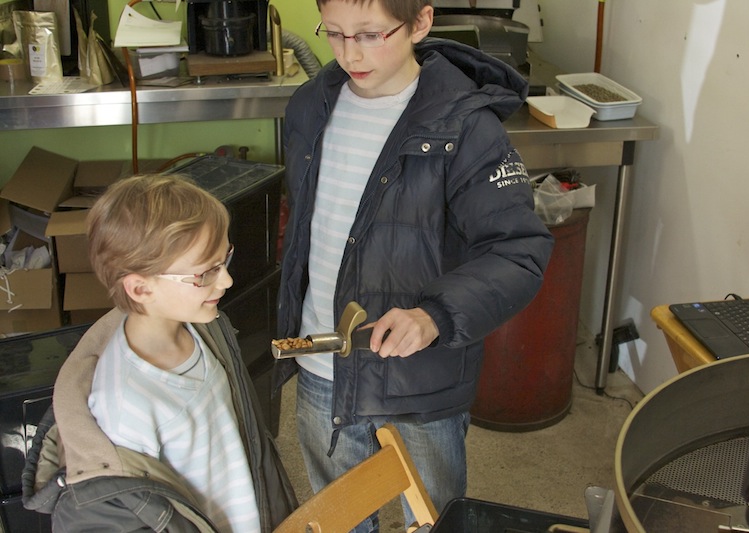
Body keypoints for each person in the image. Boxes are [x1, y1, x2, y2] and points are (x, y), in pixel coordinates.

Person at [275, 0, 554, 530]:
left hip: (418, 377)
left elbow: (517, 250)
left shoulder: (468, 127)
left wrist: (434, 317)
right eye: (333, 34)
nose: (349, 53)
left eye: (371, 34)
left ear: (420, 22)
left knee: (432, 519)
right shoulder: (311, 105)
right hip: (323, 362)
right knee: (337, 520)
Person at [22, 174, 297, 532]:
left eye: (224, 259)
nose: (226, 280)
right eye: (206, 273)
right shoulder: (125, 405)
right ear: (141, 288)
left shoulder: (204, 326)